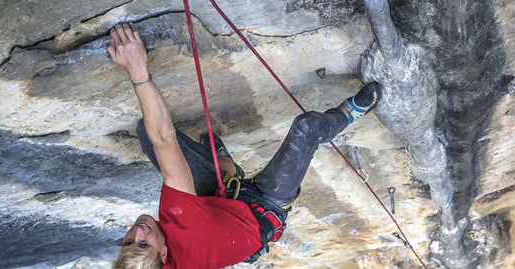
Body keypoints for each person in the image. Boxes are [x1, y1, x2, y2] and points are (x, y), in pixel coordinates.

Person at [108, 23, 382, 269]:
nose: (138, 232)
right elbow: (164, 137)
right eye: (143, 244)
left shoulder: (169, 245)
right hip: (264, 208)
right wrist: (138, 70)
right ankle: (349, 113)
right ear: (165, 255)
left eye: (128, 242)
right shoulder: (182, 224)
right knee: (307, 127)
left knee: (146, 131)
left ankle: (227, 170)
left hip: (218, 210)